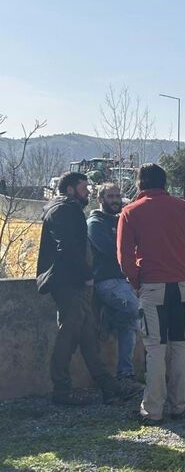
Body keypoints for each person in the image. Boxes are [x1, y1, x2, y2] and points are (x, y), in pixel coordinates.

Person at [36, 171, 136, 406]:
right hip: (68, 282)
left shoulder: (61, 208)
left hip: (70, 281)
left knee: (87, 334)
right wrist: (86, 276)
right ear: (70, 189)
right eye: (83, 188)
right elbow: (69, 248)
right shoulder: (65, 209)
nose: (87, 192)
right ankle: (61, 390)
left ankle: (108, 387)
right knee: (68, 335)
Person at [118, 164, 185, 424]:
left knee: (155, 348)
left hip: (152, 286)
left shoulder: (130, 212)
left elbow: (124, 258)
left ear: (139, 183)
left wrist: (137, 282)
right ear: (164, 182)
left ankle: (153, 410)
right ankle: (180, 405)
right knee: (181, 345)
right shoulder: (184, 208)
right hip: (183, 285)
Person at [88, 183, 139, 385]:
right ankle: (109, 317)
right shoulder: (95, 223)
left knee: (129, 324)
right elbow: (111, 251)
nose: (115, 200)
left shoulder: (121, 220)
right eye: (110, 196)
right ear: (100, 199)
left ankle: (125, 374)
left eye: (117, 195)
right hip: (107, 281)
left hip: (124, 280)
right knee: (134, 309)